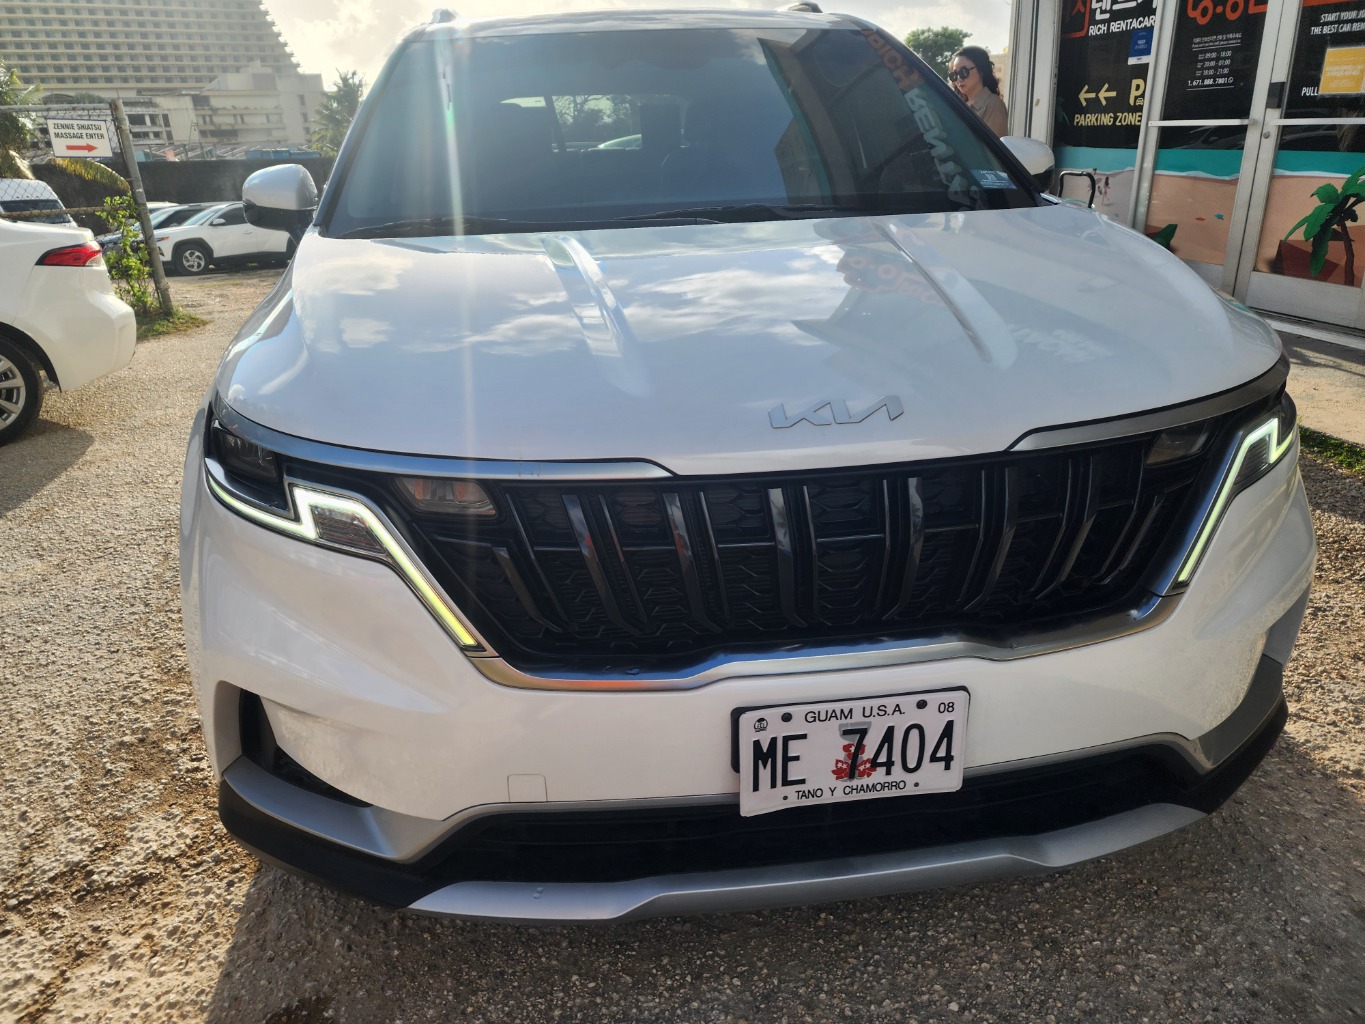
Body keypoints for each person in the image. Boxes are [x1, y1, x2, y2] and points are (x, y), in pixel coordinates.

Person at [948, 46, 1008, 138]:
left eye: (964, 72)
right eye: (954, 74)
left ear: (981, 70)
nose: (959, 78)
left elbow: (990, 146)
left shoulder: (994, 105)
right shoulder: (958, 104)